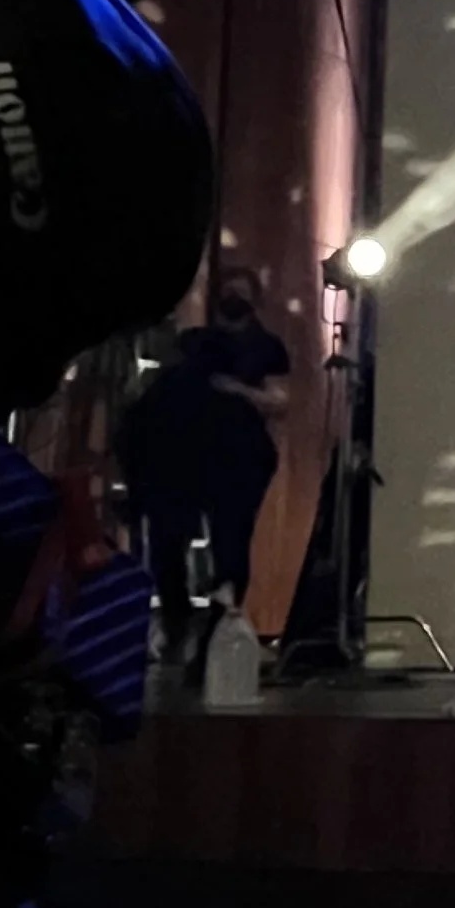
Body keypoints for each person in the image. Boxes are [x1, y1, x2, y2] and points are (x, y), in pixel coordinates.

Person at [120, 266, 290, 662]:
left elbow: (280, 401)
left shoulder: (266, 347)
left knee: (230, 543)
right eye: (227, 291)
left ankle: (218, 628)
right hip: (180, 458)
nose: (232, 299)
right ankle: (177, 623)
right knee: (168, 544)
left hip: (236, 458)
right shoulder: (193, 343)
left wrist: (238, 390)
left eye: (240, 292)